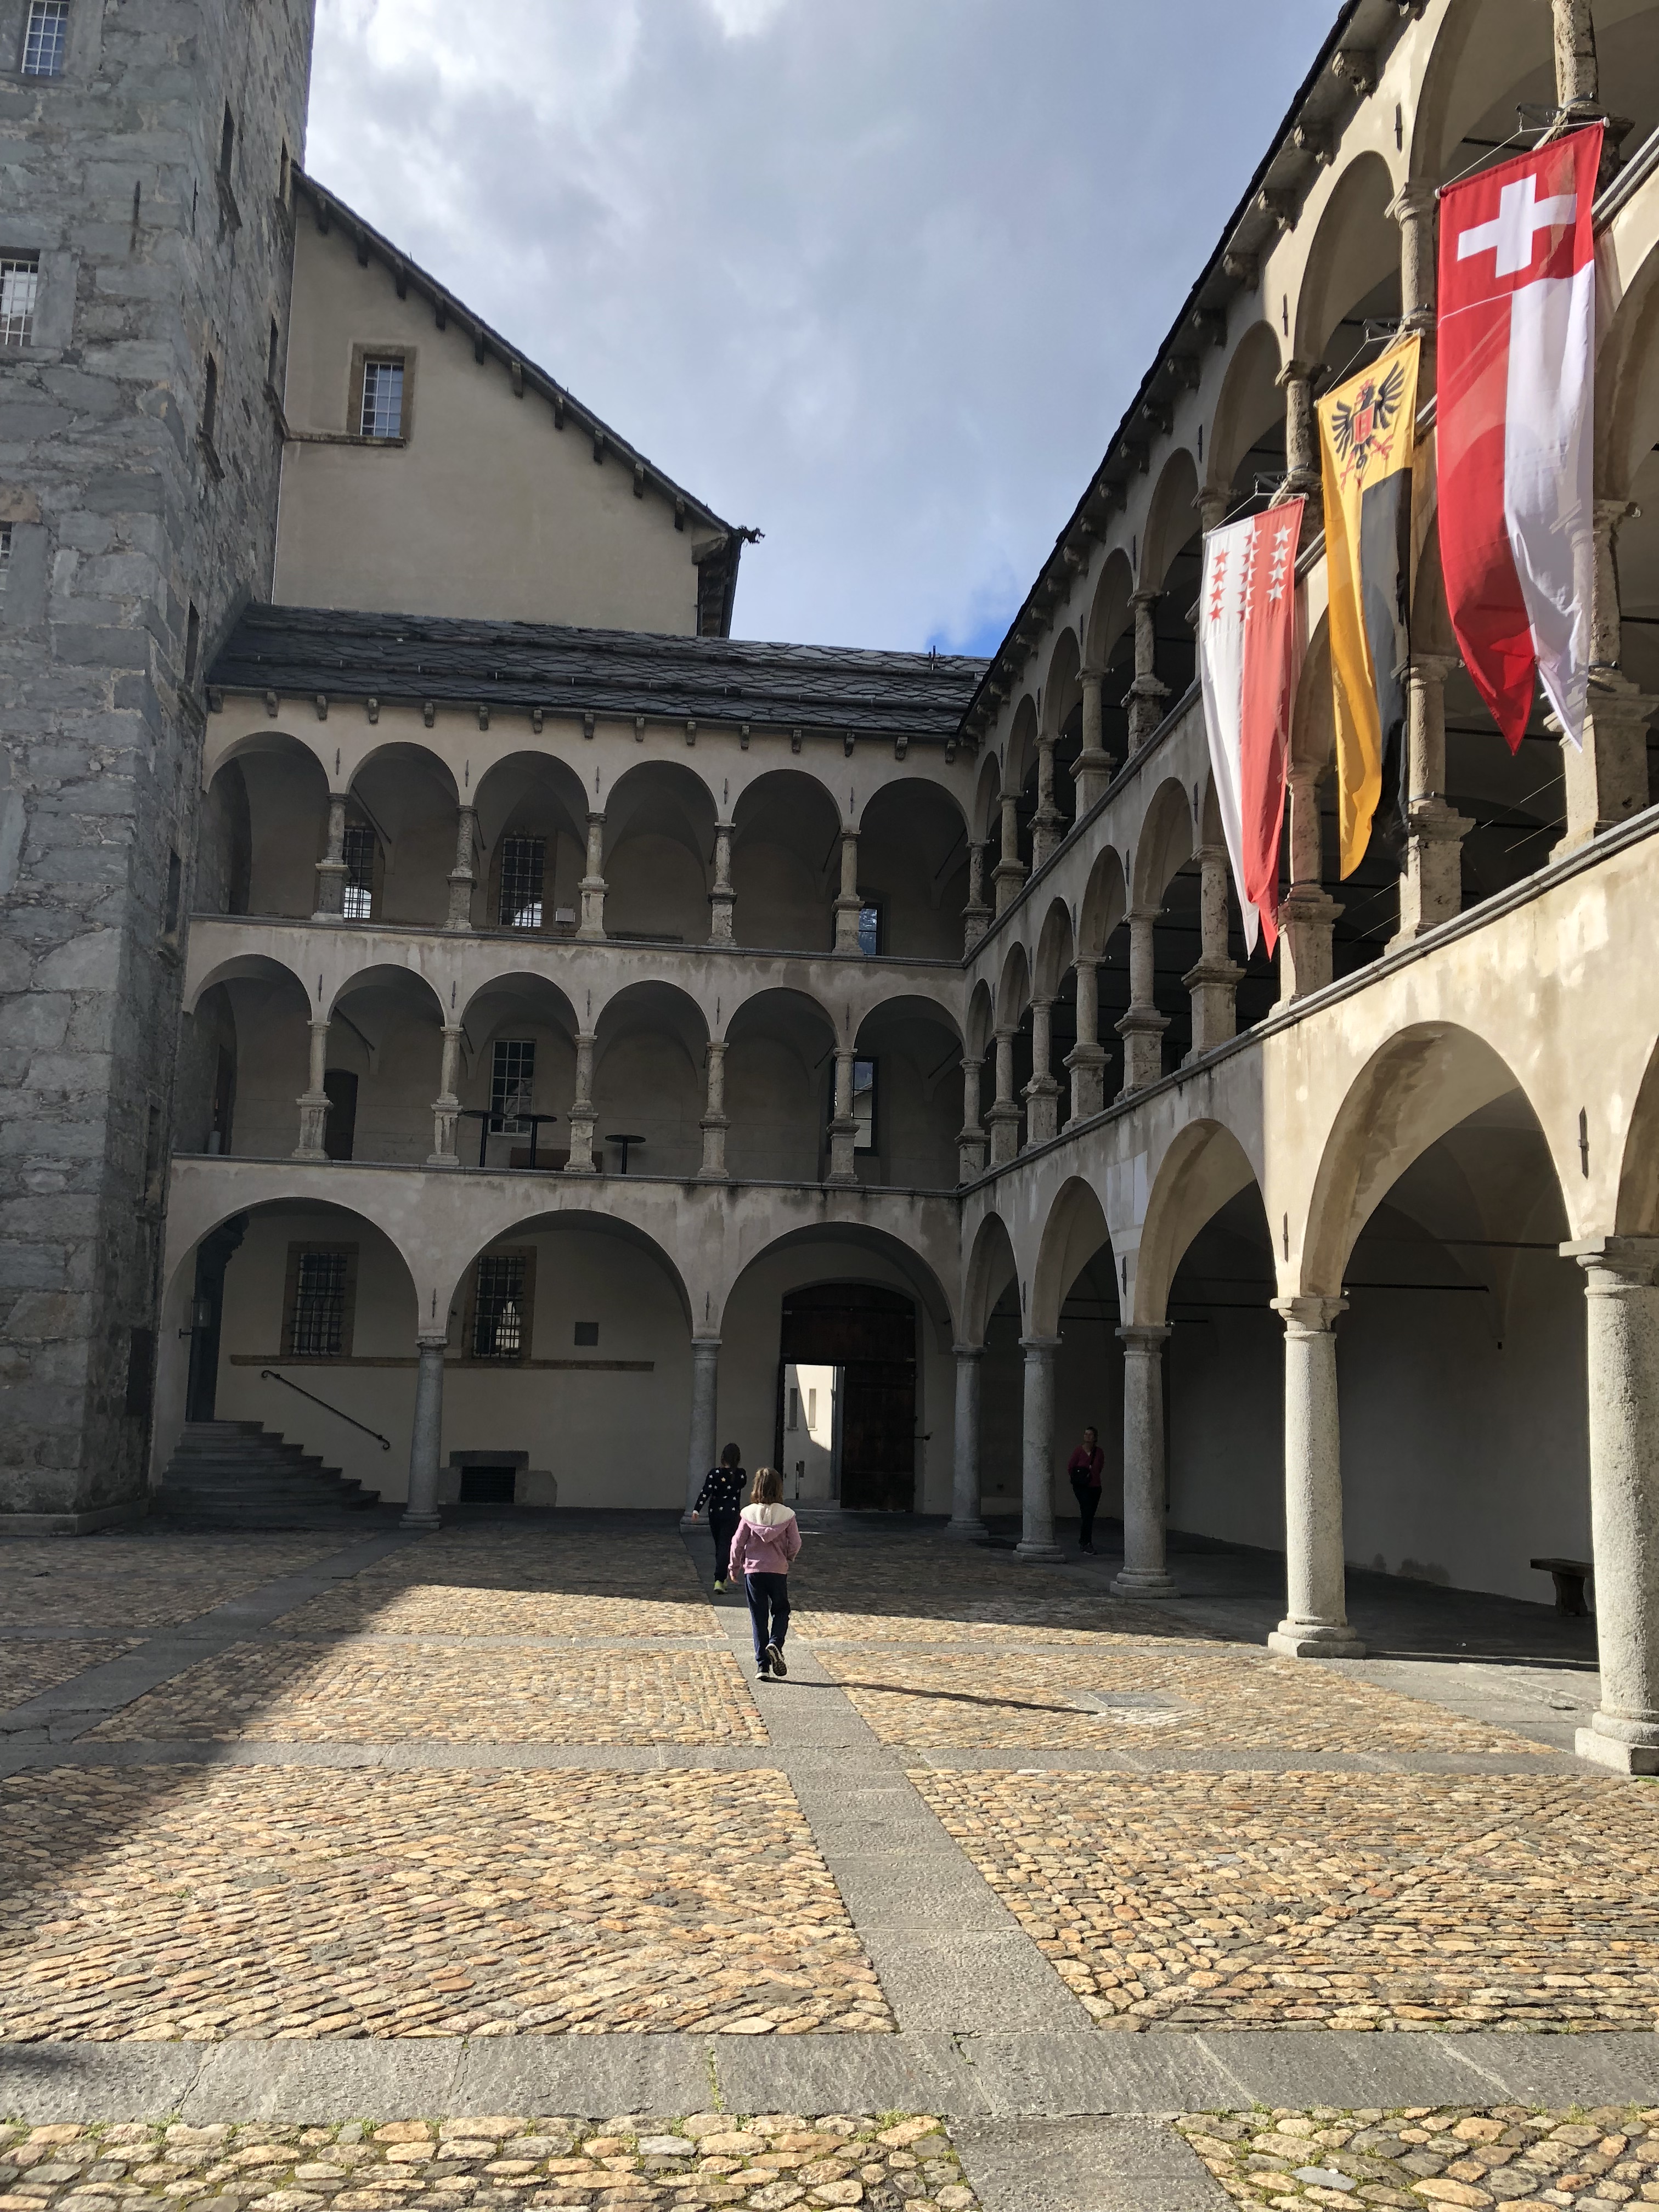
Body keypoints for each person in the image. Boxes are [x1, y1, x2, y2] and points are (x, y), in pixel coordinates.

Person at [727, 1465, 801, 1679]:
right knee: (781, 1610)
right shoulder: (787, 1515)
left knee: (758, 1617)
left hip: (754, 1571)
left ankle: (762, 1666)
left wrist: (734, 1566)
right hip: (777, 1570)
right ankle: (775, 1642)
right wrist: (789, 1556)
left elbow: (737, 1543)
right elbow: (796, 1542)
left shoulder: (748, 1514)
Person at [691, 1442, 746, 1591]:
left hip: (715, 1513)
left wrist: (697, 1509)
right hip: (731, 1514)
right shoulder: (740, 1475)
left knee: (720, 1545)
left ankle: (720, 1578)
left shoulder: (714, 1474)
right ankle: (720, 1578)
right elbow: (742, 1484)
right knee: (725, 1545)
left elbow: (706, 1492)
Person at [1068, 1424, 1104, 1554]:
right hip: (1082, 1487)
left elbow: (1100, 1467)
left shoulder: (1099, 1452)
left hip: (1095, 1487)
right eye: (1086, 1434)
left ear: (1095, 1437)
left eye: (1090, 1435)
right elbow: (1071, 1467)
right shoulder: (1079, 1451)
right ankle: (1086, 1542)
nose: (1088, 1437)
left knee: (1090, 1515)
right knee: (1087, 1512)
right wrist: (1079, 1479)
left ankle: (1084, 1541)